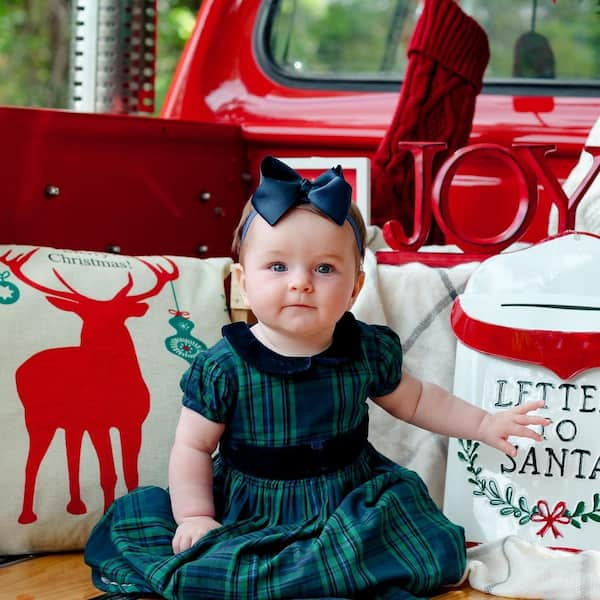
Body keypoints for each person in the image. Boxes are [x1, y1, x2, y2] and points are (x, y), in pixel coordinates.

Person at [85, 156, 549, 600]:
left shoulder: (365, 350)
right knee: (227, 568)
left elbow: (420, 400)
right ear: (243, 283)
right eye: (278, 267)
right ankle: (300, 576)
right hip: (253, 508)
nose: (301, 282)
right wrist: (196, 515)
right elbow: (193, 446)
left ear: (356, 288)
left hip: (348, 500)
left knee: (420, 536)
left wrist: (485, 425)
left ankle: (329, 572)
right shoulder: (224, 366)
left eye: (324, 268)